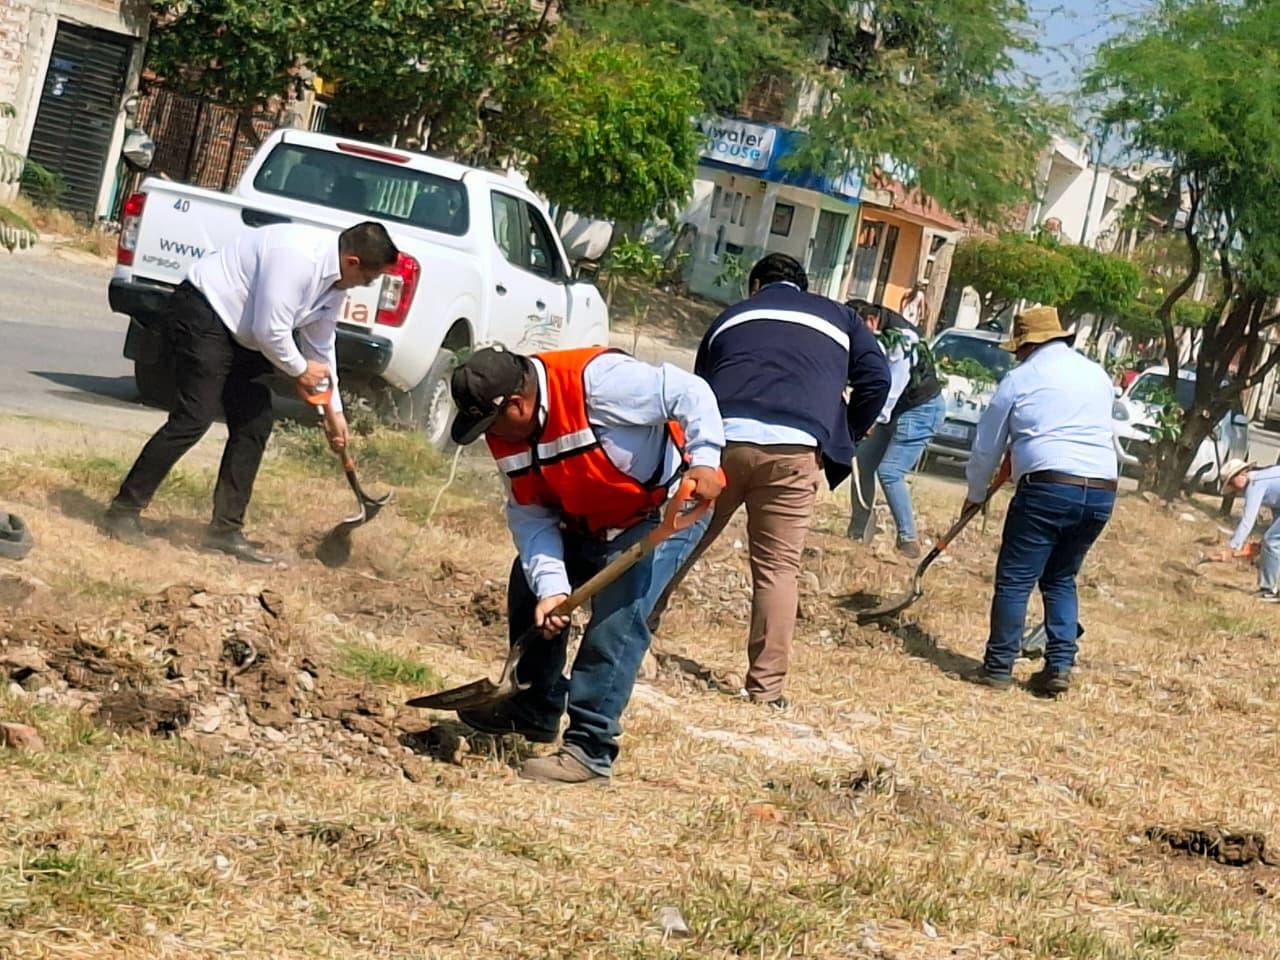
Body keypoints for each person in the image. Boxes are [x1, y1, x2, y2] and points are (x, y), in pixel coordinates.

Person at [448, 344, 725, 784]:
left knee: (617, 617)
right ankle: (532, 708)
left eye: (491, 421)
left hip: (661, 509)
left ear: (517, 404)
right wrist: (553, 588)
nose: (490, 434)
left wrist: (707, 458)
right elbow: (529, 514)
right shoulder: (506, 434)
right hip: (585, 519)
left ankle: (590, 748)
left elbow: (688, 391)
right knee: (529, 585)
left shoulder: (596, 382)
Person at [652, 253, 890, 708]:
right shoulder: (841, 316)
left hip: (722, 446)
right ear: (805, 286)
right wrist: (840, 437)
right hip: (795, 451)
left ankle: (631, 642)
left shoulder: (732, 315)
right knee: (779, 569)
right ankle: (766, 690)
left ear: (756, 285)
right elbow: (876, 380)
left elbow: (701, 392)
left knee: (675, 541)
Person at [102, 221, 399, 563]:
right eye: (369, 278)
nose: (367, 285)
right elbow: (270, 330)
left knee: (254, 425)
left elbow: (320, 346)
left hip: (245, 336)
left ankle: (224, 531)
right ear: (353, 262)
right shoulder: (297, 258)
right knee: (194, 418)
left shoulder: (334, 286)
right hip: (204, 312)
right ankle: (122, 512)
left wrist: (334, 413)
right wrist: (300, 372)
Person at [963, 306, 1117, 696]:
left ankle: (998, 668)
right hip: (1101, 489)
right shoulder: (1096, 374)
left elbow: (987, 446)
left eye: (1018, 348)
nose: (1015, 355)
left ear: (1028, 345)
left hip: (1048, 486)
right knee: (1061, 577)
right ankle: (1060, 665)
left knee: (1015, 580)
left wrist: (975, 494)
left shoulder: (1019, 379)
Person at [846, 300, 947, 557]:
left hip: (919, 409)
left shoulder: (902, 339)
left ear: (869, 321)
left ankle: (908, 539)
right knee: (863, 464)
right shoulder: (879, 335)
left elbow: (895, 384)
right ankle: (858, 531)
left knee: (890, 472)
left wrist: (873, 419)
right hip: (896, 410)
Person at [1213, 459, 1280, 601]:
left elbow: (1247, 521)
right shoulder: (1263, 479)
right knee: (1272, 541)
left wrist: (1232, 548)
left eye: (1231, 483)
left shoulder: (1255, 484)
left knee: (1272, 541)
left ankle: (1268, 591)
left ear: (1240, 474)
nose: (1234, 489)